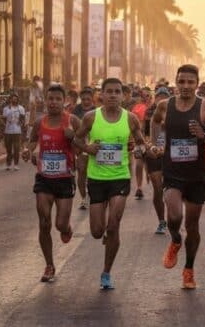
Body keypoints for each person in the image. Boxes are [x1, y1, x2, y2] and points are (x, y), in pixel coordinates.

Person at [153, 65, 205, 290]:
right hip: (173, 173)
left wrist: (203, 136)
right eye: (181, 82)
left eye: (190, 82)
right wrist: (157, 143)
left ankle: (189, 269)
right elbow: (155, 122)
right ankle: (175, 239)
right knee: (174, 217)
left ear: (196, 84)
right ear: (176, 82)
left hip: (196, 176)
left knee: (192, 225)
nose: (185, 86)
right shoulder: (165, 106)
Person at [75, 77, 147, 290]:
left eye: (117, 92)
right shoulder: (90, 118)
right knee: (98, 231)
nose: (113, 95)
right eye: (109, 92)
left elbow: (141, 143)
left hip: (120, 177)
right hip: (96, 178)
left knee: (113, 225)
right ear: (102, 95)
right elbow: (77, 140)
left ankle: (106, 272)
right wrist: (88, 149)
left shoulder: (131, 118)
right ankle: (105, 234)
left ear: (123, 96)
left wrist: (141, 149)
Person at [21, 84, 81, 282]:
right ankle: (49, 265)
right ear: (45, 101)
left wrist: (74, 140)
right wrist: (28, 150)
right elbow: (31, 141)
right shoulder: (40, 122)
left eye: (57, 99)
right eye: (50, 99)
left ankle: (67, 228)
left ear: (64, 101)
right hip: (44, 179)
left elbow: (85, 142)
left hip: (64, 179)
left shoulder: (72, 121)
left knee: (60, 224)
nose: (53, 102)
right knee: (44, 222)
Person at [144, 87, 170, 233]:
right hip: (154, 154)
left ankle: (173, 217)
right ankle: (161, 221)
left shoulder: (174, 113)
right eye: (159, 97)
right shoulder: (149, 113)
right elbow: (143, 135)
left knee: (171, 189)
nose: (161, 100)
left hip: (170, 155)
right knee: (158, 188)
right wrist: (149, 148)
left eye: (164, 97)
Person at [71, 88, 97, 210]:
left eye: (88, 99)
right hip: (81, 146)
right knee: (81, 172)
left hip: (94, 147)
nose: (86, 101)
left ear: (92, 99)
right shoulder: (76, 110)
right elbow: (74, 130)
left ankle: (96, 196)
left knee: (93, 174)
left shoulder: (97, 111)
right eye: (83, 99)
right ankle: (84, 198)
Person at [2, 94, 26, 171]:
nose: (14, 100)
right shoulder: (6, 109)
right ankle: (8, 164)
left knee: (16, 149)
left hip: (17, 131)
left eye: (16, 99)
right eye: (13, 99)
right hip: (8, 131)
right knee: (8, 149)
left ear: (18, 100)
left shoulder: (21, 108)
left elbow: (23, 119)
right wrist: (5, 124)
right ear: (10, 99)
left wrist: (20, 123)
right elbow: (3, 119)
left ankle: (16, 164)